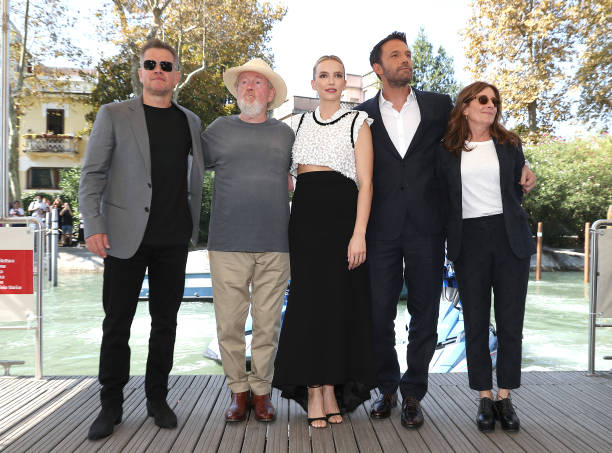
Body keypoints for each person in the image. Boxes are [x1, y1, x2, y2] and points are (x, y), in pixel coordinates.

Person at [356, 31, 537, 429]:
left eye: (407, 54)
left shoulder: (439, 107)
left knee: (426, 315)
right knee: (379, 313)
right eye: (395, 55)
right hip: (381, 230)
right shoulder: (361, 114)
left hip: (429, 229)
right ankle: (386, 388)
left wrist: (521, 170)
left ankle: (413, 395)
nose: (405, 59)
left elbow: (480, 140)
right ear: (377, 67)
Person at [79, 38, 205, 440]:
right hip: (122, 237)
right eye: (151, 64)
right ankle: (110, 404)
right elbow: (93, 174)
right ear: (140, 72)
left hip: (173, 238)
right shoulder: (113, 114)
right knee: (117, 323)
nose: (158, 70)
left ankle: (157, 399)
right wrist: (93, 223)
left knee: (165, 324)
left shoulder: (191, 122)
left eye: (166, 66)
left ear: (177, 76)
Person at [272, 56, 376, 429]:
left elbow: (366, 184)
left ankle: (331, 389)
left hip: (343, 226)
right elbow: (280, 174)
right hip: (304, 225)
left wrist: (359, 234)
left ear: (345, 81)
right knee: (308, 309)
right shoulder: (295, 123)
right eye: (323, 75)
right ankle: (313, 389)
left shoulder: (358, 123)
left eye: (337, 75)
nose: (331, 81)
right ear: (313, 82)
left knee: (337, 309)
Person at [436, 82, 535, 432]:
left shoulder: (510, 144)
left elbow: (518, 190)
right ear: (465, 106)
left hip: (510, 240)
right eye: (482, 99)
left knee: (511, 323)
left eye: (494, 101)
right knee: (474, 323)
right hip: (469, 241)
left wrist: (528, 179)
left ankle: (505, 396)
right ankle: (483, 397)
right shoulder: (447, 149)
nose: (490, 105)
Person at [201, 58, 294, 423]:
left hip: (276, 244)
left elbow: (303, 175)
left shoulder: (287, 135)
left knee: (268, 325)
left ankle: (261, 394)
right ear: (237, 92)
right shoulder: (218, 130)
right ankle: (238, 392)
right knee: (229, 325)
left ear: (270, 94)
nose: (249, 88)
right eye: (243, 83)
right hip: (226, 243)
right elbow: (185, 163)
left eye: (257, 82)